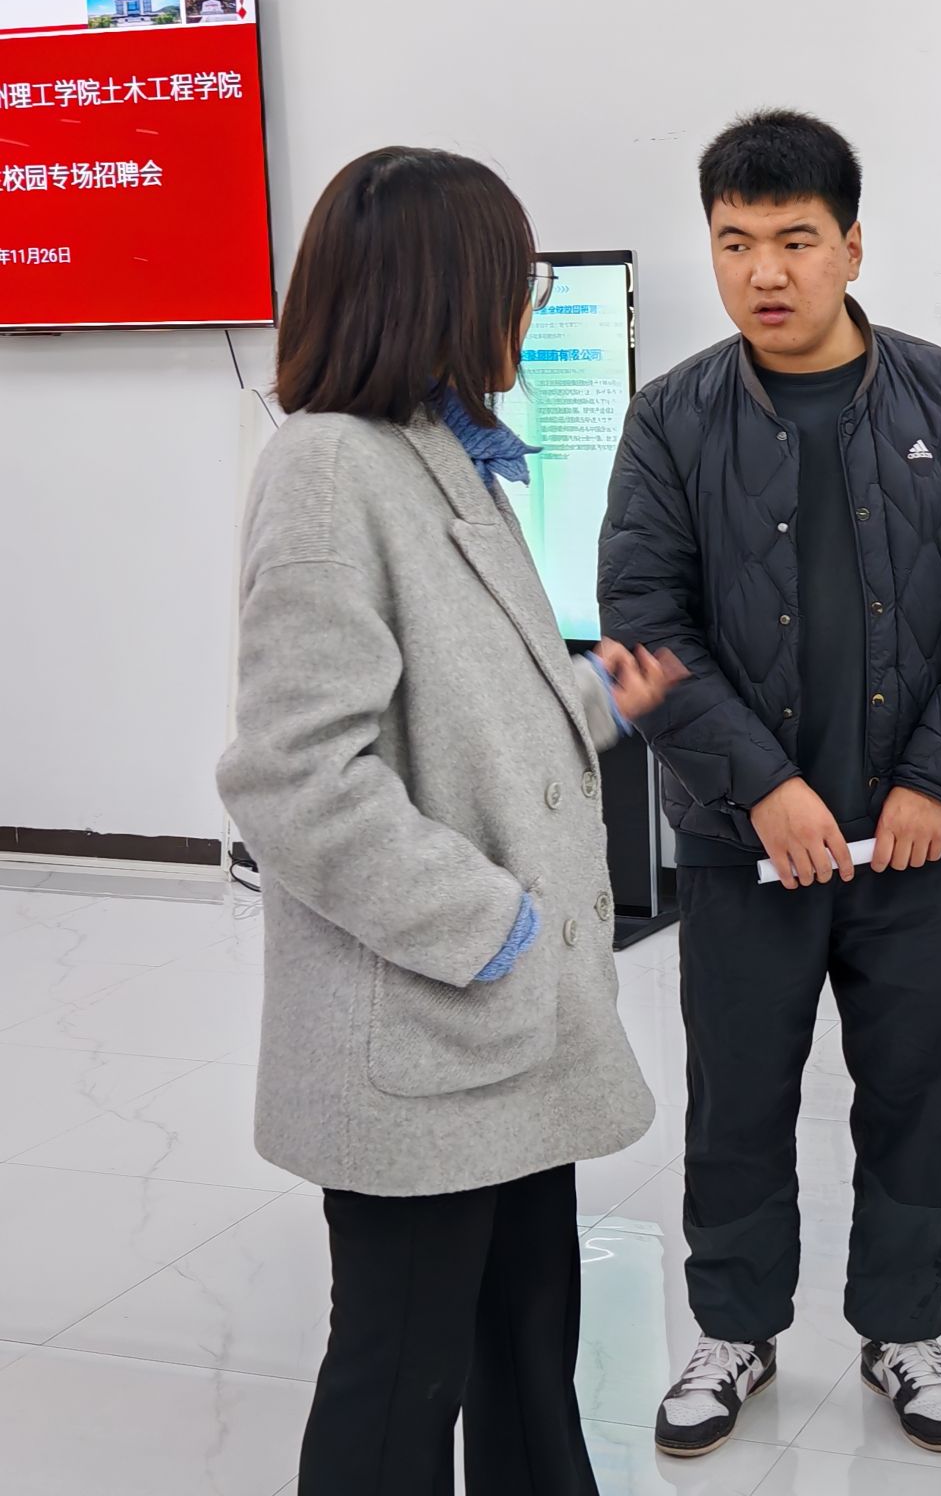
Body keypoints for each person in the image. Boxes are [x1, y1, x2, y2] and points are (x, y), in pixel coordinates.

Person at [216, 147, 681, 1495]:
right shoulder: (328, 468)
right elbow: (297, 775)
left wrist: (593, 698)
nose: (525, 309)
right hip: (429, 1024)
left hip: (501, 1033)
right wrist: (493, 928)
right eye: (514, 280)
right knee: (401, 1383)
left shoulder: (442, 456)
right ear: (440, 290)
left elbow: (460, 708)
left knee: (527, 1352)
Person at [599, 109, 941, 1460]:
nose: (765, 272)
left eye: (795, 240)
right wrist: (763, 792)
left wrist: (938, 781)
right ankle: (733, 1328)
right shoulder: (672, 419)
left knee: (919, 1093)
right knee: (738, 1094)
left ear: (852, 245)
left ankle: (905, 1327)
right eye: (735, 242)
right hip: (746, 850)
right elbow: (644, 622)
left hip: (917, 845)